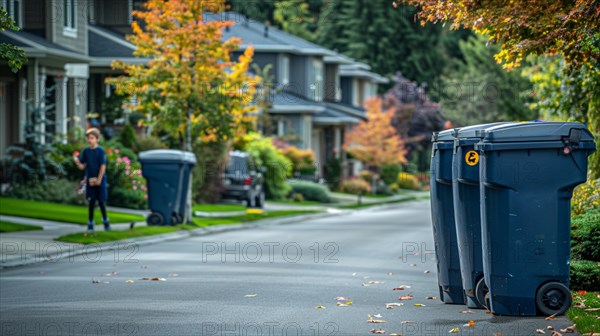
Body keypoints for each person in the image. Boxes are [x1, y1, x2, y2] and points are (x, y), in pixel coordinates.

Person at [73, 128, 111, 233]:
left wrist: (99, 180)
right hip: (90, 180)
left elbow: (103, 166)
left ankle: (106, 222)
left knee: (101, 201)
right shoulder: (86, 151)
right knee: (91, 201)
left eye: (92, 138)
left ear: (97, 139)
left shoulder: (100, 151)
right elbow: (82, 166)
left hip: (100, 180)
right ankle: (90, 223)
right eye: (88, 138)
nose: (89, 140)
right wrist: (77, 162)